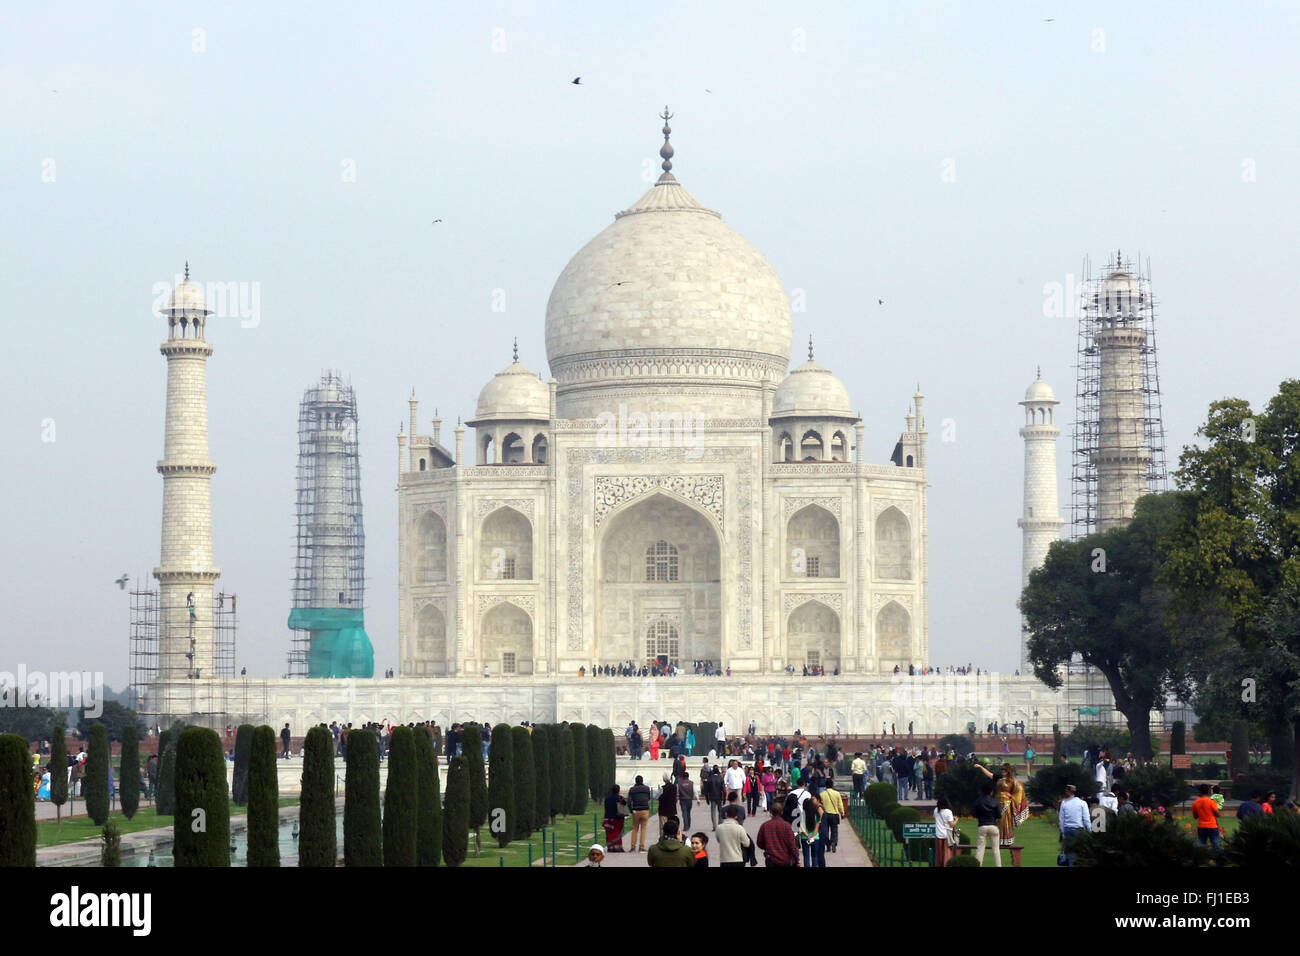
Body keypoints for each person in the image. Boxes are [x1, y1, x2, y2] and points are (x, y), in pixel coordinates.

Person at [977, 761, 1025, 848]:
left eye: (1005, 770)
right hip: (997, 802)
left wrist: (1012, 796)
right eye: (1002, 770)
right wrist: (981, 767)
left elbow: (1019, 790)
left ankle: (1007, 839)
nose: (1003, 772)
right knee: (998, 821)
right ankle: (998, 840)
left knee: (1005, 822)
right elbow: (989, 774)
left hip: (1007, 804)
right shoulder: (998, 778)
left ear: (1008, 771)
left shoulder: (1012, 781)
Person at [757, 798, 800, 867]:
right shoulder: (787, 826)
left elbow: (759, 843)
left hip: (771, 859)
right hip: (785, 859)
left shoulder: (765, 826)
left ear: (771, 812)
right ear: (782, 812)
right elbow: (792, 845)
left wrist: (768, 846)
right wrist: (797, 859)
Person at [1058, 783, 1092, 866]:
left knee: (1069, 853)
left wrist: (1063, 833)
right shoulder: (1082, 803)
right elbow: (1086, 819)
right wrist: (1090, 831)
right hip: (1078, 830)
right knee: (1079, 853)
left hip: (1067, 829)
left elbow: (1061, 820)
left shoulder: (1064, 803)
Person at [972, 780, 1003, 866]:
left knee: (980, 849)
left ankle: (978, 865)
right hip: (993, 826)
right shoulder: (994, 801)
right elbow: (999, 816)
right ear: (991, 792)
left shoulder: (978, 801)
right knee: (996, 850)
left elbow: (973, 813)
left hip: (982, 826)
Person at [798, 792, 826, 867]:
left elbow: (801, 827)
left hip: (804, 837)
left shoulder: (802, 814)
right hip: (815, 838)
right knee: (815, 856)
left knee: (806, 856)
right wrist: (812, 836)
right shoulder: (816, 814)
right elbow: (817, 827)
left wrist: (807, 835)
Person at [1192, 784, 1222, 852]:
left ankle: (1202, 860)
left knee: (1201, 846)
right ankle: (1218, 859)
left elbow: (1195, 816)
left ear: (1199, 791)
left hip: (1201, 826)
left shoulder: (1195, 802)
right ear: (1208, 791)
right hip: (1212, 826)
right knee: (1216, 845)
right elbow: (1217, 815)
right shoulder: (1211, 802)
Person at [627, 775, 652, 852]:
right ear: (642, 781)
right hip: (645, 810)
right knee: (643, 829)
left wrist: (631, 810)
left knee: (635, 829)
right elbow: (648, 798)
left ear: (635, 781)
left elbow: (629, 802)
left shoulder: (632, 789)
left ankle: (633, 847)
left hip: (636, 810)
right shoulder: (647, 788)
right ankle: (641, 847)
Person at [820, 777, 845, 853]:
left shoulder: (822, 794)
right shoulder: (837, 793)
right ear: (832, 785)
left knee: (825, 831)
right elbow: (840, 805)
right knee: (834, 830)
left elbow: (820, 805)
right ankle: (833, 842)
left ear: (825, 785)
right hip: (834, 814)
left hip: (825, 815)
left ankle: (827, 845)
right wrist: (842, 813)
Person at [603, 784, 628, 851]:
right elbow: (625, 803)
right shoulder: (620, 798)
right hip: (617, 819)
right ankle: (617, 847)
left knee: (609, 834)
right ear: (618, 791)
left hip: (607, 818)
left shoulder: (607, 798)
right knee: (617, 833)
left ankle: (610, 847)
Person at [933, 796, 957, 867]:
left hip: (938, 834)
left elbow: (935, 817)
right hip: (947, 835)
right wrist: (956, 820)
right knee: (947, 853)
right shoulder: (948, 812)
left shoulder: (936, 810)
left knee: (939, 854)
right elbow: (952, 824)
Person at [704, 765, 726, 830]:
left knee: (713, 812)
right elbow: (724, 790)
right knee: (720, 811)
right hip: (719, 797)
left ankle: (714, 826)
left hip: (712, 797)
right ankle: (720, 825)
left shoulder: (709, 778)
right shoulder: (721, 778)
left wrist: (707, 799)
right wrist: (724, 799)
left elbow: (706, 790)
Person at [658, 772, 678, 837]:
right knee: (672, 826)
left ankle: (662, 839)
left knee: (663, 827)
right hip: (672, 809)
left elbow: (656, 797)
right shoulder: (674, 787)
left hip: (663, 810)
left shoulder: (662, 788)